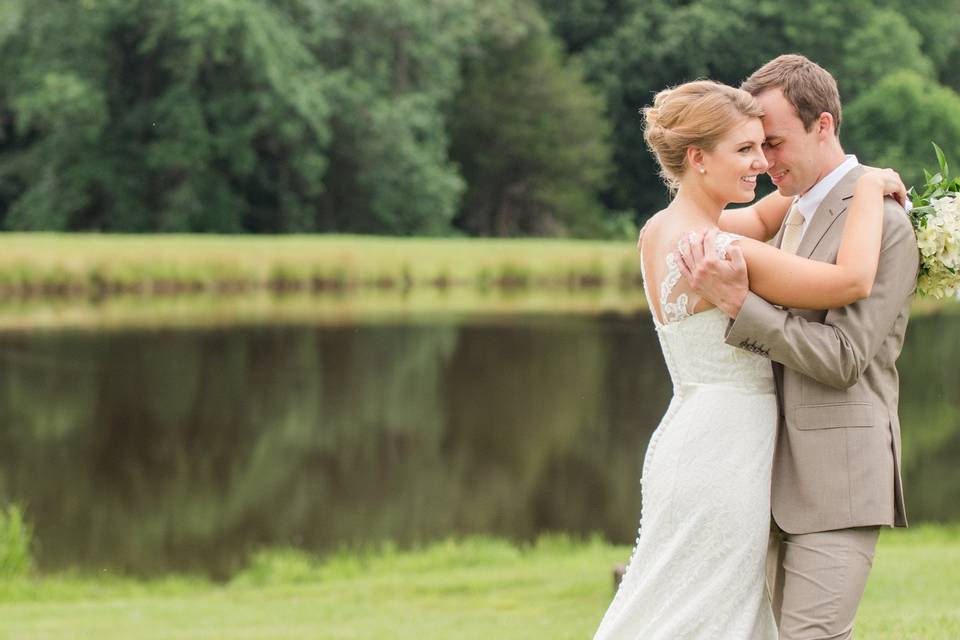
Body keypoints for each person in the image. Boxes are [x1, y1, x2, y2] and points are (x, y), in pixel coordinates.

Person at [591, 76, 911, 639]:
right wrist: (865, 187)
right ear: (697, 157)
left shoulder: (662, 231)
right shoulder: (723, 251)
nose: (761, 162)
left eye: (767, 145)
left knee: (682, 605)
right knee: (711, 615)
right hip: (730, 450)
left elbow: (775, 213)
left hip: (689, 435)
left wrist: (829, 177)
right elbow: (852, 278)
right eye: (745, 149)